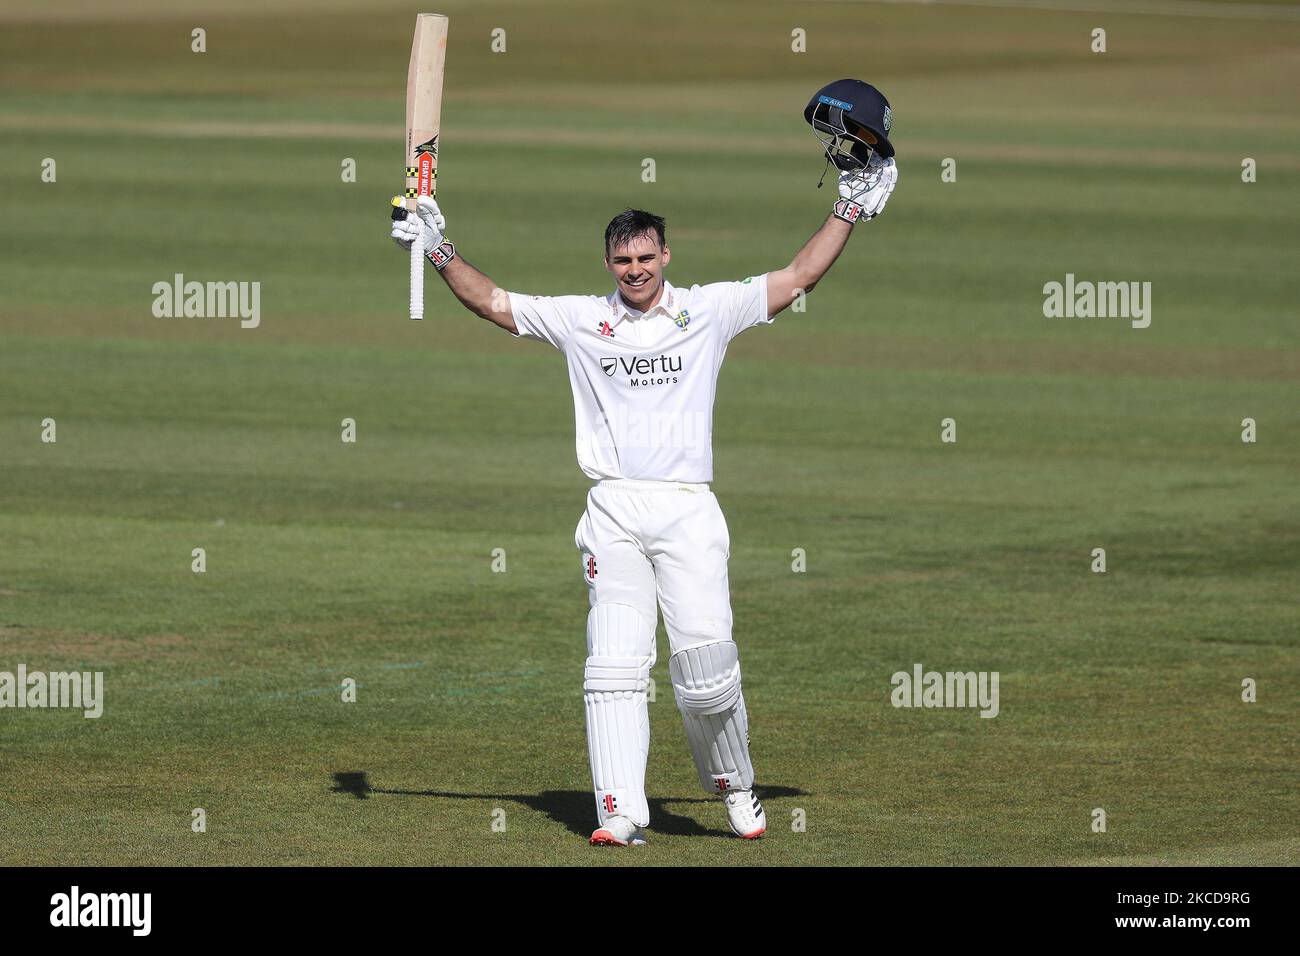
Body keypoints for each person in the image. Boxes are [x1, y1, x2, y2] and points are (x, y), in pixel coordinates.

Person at [390, 157, 897, 846]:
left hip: (688, 508)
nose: (635, 269)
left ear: (666, 255)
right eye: (623, 259)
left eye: (645, 256)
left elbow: (799, 275)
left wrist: (849, 209)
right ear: (608, 262)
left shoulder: (709, 310)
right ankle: (620, 811)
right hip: (613, 509)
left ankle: (735, 787)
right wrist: (437, 247)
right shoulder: (581, 320)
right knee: (613, 667)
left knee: (706, 674)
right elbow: (493, 302)